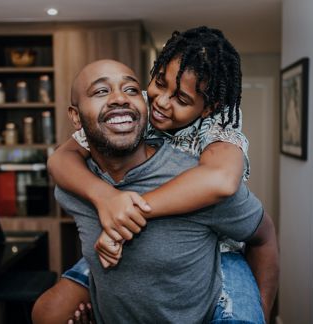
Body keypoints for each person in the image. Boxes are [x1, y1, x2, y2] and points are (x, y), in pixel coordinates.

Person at [33, 27, 277, 323]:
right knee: (49, 311)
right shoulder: (136, 109)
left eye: (181, 100)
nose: (161, 101)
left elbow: (221, 181)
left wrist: (127, 210)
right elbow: (60, 159)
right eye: (158, 83)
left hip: (222, 249)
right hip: (128, 250)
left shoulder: (217, 127)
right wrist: (105, 197)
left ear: (207, 108)